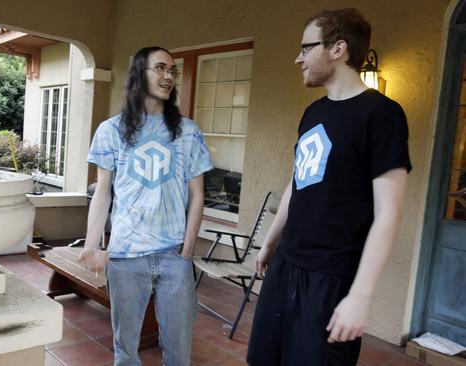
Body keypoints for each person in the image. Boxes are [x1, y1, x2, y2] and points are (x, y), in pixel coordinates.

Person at [247, 8, 412, 366]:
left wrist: (360, 296)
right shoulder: (313, 113)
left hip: (331, 278)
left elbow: (389, 213)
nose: (298, 58)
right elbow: (298, 181)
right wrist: (271, 241)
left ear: (338, 49)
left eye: (306, 48)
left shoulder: (382, 115)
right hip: (286, 265)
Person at [79, 46, 213, 366]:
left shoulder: (187, 131)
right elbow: (103, 192)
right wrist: (91, 244)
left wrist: (188, 250)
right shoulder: (111, 130)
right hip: (125, 256)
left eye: (173, 71)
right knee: (125, 351)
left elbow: (197, 195)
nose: (168, 76)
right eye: (161, 68)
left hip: (173, 256)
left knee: (179, 352)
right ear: (140, 73)